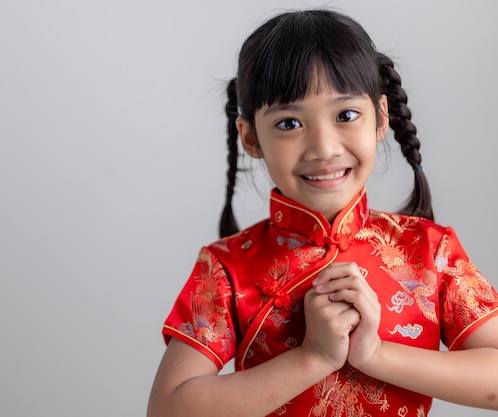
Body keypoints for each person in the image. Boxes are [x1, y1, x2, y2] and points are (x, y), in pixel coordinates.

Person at [147, 9, 498, 417]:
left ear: (380, 118)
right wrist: (312, 358)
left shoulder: (430, 250)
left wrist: (376, 355)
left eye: (346, 115)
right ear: (251, 137)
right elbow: (168, 409)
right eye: (289, 122)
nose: (324, 147)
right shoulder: (226, 268)